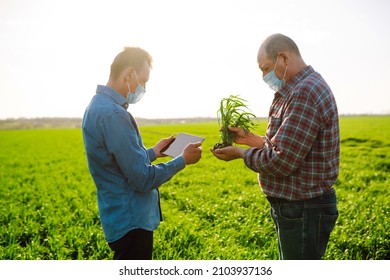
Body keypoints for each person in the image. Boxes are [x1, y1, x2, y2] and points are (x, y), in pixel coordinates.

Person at [211, 34, 340, 260]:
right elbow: (282, 146)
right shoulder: (293, 90)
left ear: (284, 58)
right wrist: (249, 138)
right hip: (297, 208)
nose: (264, 76)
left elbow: (281, 161)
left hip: (303, 209)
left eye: (266, 68)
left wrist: (240, 153)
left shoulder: (304, 92)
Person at [82, 47, 202, 260]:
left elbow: (120, 163)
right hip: (132, 222)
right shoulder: (113, 115)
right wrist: (182, 160)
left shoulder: (97, 105)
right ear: (129, 74)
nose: (144, 87)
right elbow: (142, 179)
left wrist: (154, 152)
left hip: (118, 216)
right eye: (143, 81)